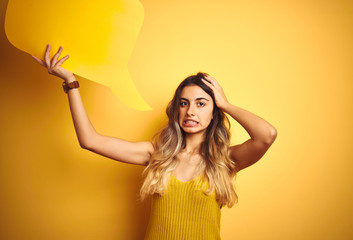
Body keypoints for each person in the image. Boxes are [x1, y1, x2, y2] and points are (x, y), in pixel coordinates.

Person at [32, 44, 277, 240]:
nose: (191, 111)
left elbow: (267, 135)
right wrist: (70, 82)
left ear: (214, 112)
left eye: (201, 103)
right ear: (177, 109)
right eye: (184, 103)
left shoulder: (225, 161)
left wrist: (226, 103)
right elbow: (89, 140)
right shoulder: (157, 155)